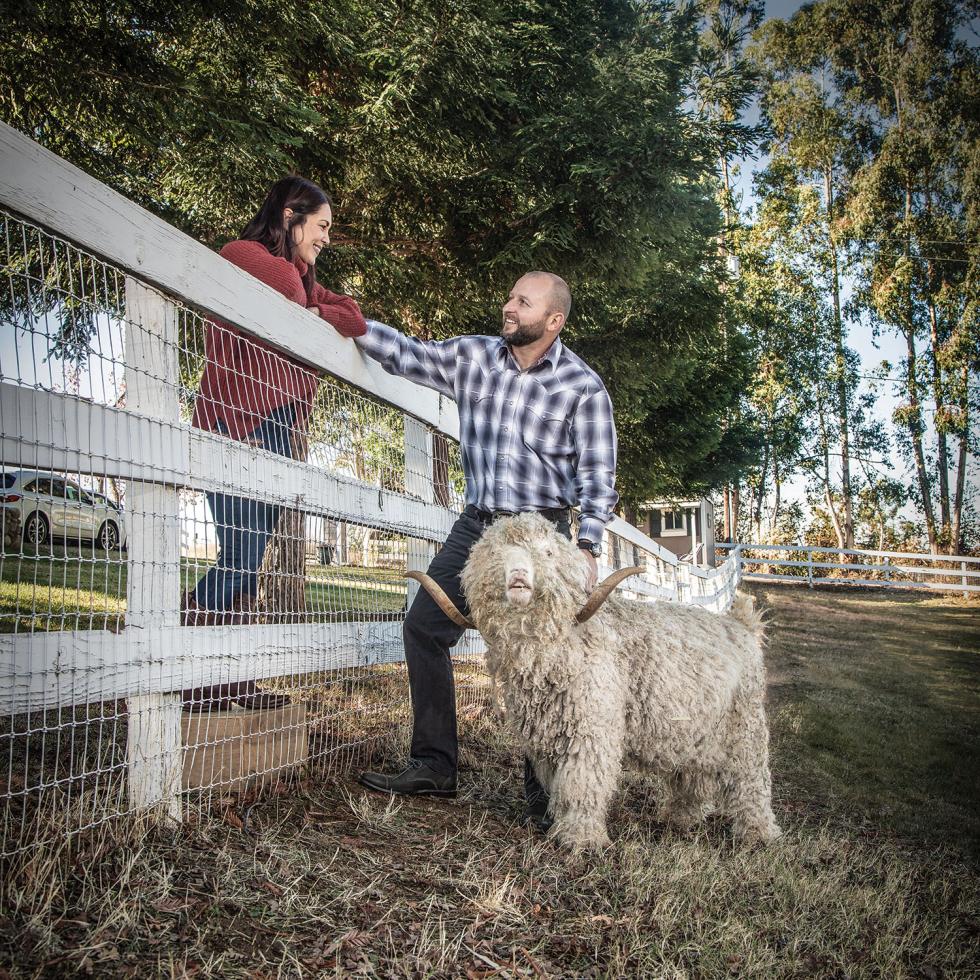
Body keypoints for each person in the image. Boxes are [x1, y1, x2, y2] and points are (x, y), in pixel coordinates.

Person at [341, 272, 617, 830]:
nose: (509, 306)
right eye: (511, 296)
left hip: (543, 535)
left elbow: (598, 476)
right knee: (424, 624)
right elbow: (407, 356)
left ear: (553, 320)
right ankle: (434, 764)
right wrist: (353, 323)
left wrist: (586, 544)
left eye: (523, 301)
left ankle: (542, 791)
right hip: (478, 529)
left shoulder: (583, 387)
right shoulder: (474, 356)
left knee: (543, 655)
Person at [181, 176, 368, 711]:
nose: (327, 238)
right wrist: (309, 302)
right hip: (233, 426)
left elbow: (354, 317)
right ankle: (183, 657)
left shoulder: (310, 284)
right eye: (322, 226)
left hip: (278, 430)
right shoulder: (244, 254)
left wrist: (320, 312)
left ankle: (228, 680)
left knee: (251, 556)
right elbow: (284, 287)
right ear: (291, 215)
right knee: (239, 556)